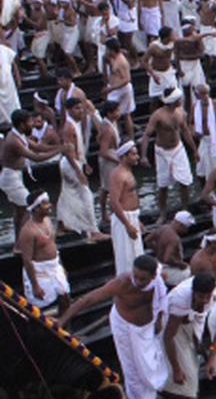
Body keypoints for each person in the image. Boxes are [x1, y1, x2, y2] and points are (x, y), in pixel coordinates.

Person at [59, 255, 170, 399]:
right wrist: (61, 322)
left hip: (147, 328)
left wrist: (159, 320)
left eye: (143, 279)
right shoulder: (122, 283)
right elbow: (87, 300)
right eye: (136, 276)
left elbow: (161, 301)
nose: (138, 281)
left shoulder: (159, 279)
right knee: (133, 369)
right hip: (126, 328)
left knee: (151, 363)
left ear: (153, 276)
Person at [161, 272, 216, 399]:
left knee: (191, 365)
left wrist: (205, 352)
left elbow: (199, 319)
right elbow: (168, 337)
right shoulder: (180, 300)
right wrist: (176, 369)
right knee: (187, 376)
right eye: (200, 296)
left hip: (187, 323)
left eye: (207, 297)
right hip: (171, 327)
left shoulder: (212, 293)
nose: (204, 300)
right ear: (193, 292)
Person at [141, 88, 197, 222]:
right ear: (174, 100)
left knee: (185, 181)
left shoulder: (180, 113)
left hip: (177, 149)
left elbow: (185, 132)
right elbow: (147, 135)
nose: (181, 100)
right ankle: (163, 213)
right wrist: (143, 155)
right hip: (162, 152)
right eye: (179, 99)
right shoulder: (158, 115)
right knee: (163, 185)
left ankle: (185, 209)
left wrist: (195, 150)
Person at [2, 109, 63, 232]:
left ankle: (18, 244)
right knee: (30, 207)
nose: (33, 124)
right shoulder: (13, 140)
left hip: (14, 176)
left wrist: (59, 146)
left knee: (19, 211)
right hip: (10, 179)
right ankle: (28, 239)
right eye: (30, 122)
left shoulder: (19, 135)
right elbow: (36, 157)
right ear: (21, 125)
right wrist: (61, 150)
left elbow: (38, 147)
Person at [57, 98, 104, 239]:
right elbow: (68, 151)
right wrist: (79, 171)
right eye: (77, 108)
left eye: (81, 108)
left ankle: (62, 224)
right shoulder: (69, 127)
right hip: (71, 164)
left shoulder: (74, 124)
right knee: (86, 196)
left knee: (68, 194)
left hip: (75, 162)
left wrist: (85, 164)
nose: (81, 111)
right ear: (69, 110)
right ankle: (93, 231)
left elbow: (78, 148)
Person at [19, 192, 71, 310]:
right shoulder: (28, 231)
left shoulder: (47, 220)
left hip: (54, 266)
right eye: (45, 203)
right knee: (43, 304)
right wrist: (35, 285)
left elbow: (53, 245)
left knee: (65, 297)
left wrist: (61, 266)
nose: (49, 205)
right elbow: (27, 260)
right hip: (40, 271)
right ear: (36, 208)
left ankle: (65, 325)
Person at [108, 142, 144, 276]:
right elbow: (114, 202)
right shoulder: (117, 174)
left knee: (136, 254)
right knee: (126, 257)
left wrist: (137, 220)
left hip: (132, 217)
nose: (137, 157)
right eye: (134, 154)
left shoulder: (128, 171)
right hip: (124, 219)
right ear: (124, 157)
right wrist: (128, 225)